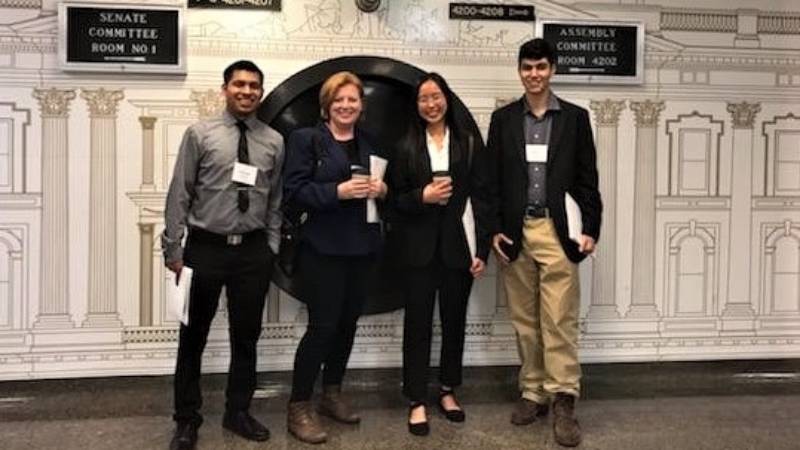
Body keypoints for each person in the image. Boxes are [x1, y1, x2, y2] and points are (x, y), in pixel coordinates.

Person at [161, 60, 284, 450]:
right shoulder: (201, 134)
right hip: (205, 249)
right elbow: (179, 192)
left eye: (254, 86)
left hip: (252, 253)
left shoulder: (274, 141)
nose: (246, 92)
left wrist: (272, 245)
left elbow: (277, 197)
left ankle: (238, 412)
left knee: (246, 337)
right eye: (239, 84)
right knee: (192, 337)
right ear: (225, 88)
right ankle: (186, 419)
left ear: (261, 93)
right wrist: (173, 247)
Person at [486, 39, 602, 447]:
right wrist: (494, 229)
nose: (533, 75)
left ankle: (563, 399)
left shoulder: (574, 119)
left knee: (559, 319)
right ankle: (532, 392)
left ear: (552, 69)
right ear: (519, 71)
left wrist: (590, 228)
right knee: (525, 321)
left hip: (557, 230)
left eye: (540, 67)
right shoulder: (502, 121)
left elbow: (588, 179)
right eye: (527, 68)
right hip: (517, 232)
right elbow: (492, 182)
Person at [282, 71, 388, 444]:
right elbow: (293, 193)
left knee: (347, 326)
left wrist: (383, 188)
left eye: (353, 100)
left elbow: (380, 191)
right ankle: (298, 405)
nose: (346, 106)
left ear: (361, 105)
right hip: (322, 249)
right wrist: (337, 191)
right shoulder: (306, 140)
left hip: (363, 249)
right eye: (339, 100)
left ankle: (331, 394)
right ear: (327, 106)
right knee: (322, 328)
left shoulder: (370, 143)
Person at [390, 73, 492, 436]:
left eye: (436, 97)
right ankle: (417, 398)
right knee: (417, 325)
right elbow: (393, 201)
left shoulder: (467, 141)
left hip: (457, 250)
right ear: (415, 105)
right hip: (417, 251)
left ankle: (448, 390)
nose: (430, 104)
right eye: (423, 99)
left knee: (454, 322)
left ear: (446, 99)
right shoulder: (404, 145)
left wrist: (481, 249)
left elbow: (481, 198)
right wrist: (423, 197)